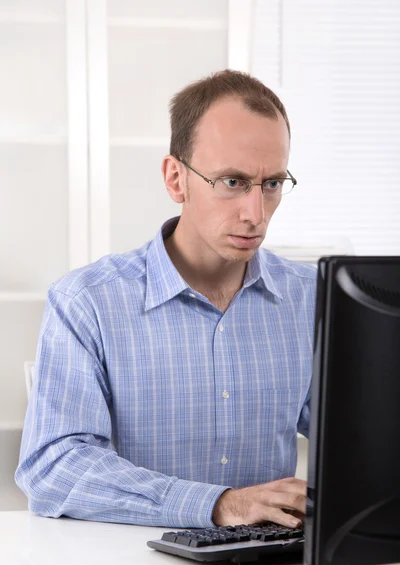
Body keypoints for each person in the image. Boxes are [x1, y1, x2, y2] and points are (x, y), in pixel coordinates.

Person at [15, 70, 316, 529]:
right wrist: (219, 505)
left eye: (271, 184)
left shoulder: (310, 298)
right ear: (177, 179)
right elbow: (54, 467)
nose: (255, 214)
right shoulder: (87, 303)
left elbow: (361, 437)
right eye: (232, 182)